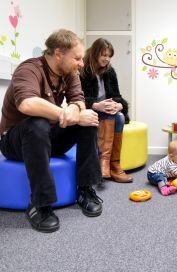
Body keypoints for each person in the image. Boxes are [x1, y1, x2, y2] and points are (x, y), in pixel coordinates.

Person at [0, 29, 104, 233]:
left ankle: (85, 189)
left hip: (46, 138)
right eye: (77, 58)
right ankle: (39, 203)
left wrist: (75, 111)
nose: (81, 63)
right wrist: (65, 114)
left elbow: (78, 101)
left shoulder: (69, 72)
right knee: (36, 123)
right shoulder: (29, 69)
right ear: (58, 54)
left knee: (88, 119)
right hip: (15, 141)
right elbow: (27, 105)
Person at [80, 38, 132, 183]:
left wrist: (120, 105)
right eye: (104, 55)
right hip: (91, 110)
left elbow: (117, 96)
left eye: (109, 56)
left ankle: (113, 164)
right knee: (116, 116)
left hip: (108, 110)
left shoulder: (110, 72)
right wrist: (96, 105)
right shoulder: (82, 71)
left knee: (120, 116)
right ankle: (107, 162)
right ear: (95, 53)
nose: (107, 59)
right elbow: (79, 99)